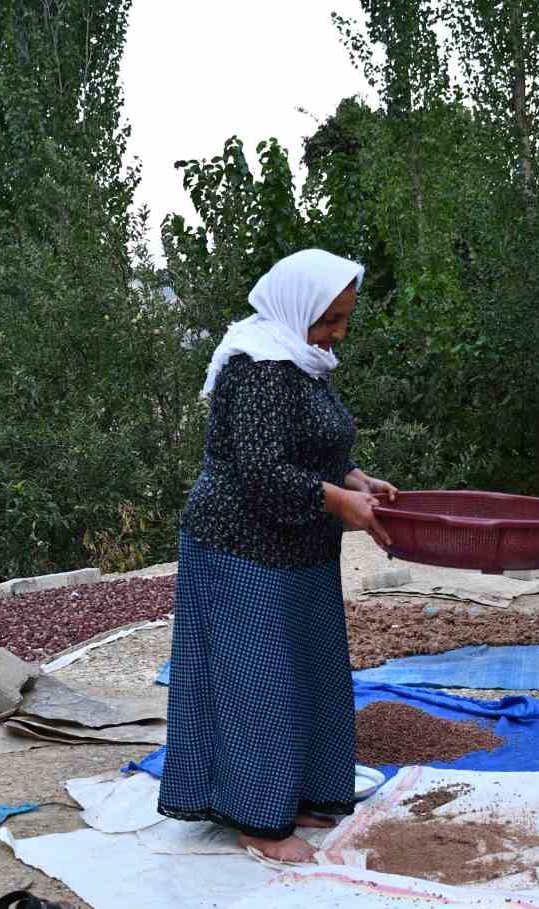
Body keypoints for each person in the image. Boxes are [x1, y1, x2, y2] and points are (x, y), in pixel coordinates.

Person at [157, 248, 397, 863]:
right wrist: (340, 503)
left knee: (310, 671)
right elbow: (261, 471)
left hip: (298, 544)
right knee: (256, 682)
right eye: (329, 319)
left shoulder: (303, 359)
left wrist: (357, 479)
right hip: (242, 544)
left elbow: (314, 443)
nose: (337, 333)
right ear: (297, 307)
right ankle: (258, 819)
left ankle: (304, 792)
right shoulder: (261, 364)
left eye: (343, 319)